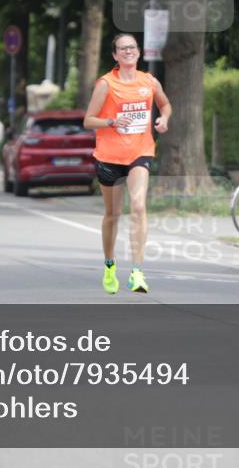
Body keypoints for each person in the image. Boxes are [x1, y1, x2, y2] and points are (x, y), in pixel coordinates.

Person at [83, 33, 171, 294]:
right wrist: (110, 122)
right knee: (113, 215)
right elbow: (88, 120)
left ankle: (137, 272)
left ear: (139, 52)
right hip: (109, 156)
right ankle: (110, 265)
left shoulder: (149, 81)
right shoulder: (106, 84)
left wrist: (163, 119)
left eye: (132, 48)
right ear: (115, 55)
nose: (128, 52)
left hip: (139, 152)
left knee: (139, 204)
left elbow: (165, 105)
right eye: (122, 49)